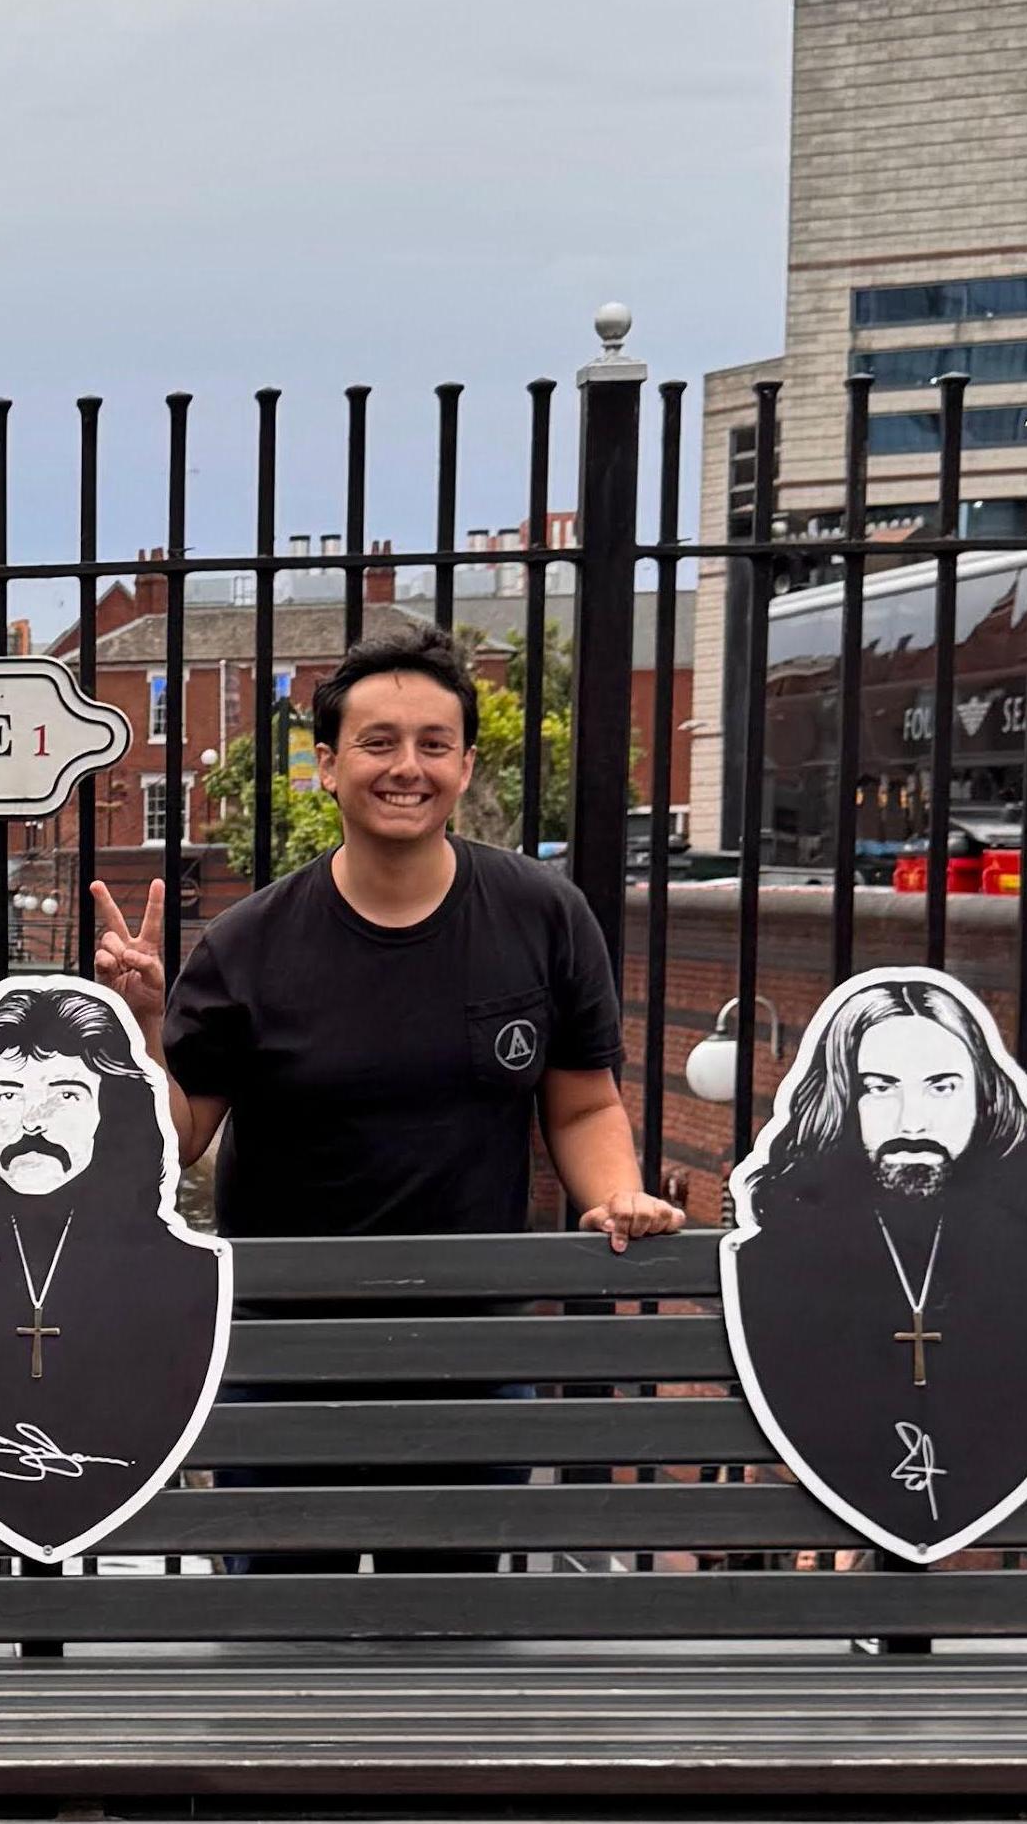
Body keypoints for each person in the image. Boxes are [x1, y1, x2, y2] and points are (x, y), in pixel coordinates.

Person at [95, 620, 679, 1574]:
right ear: (326, 766)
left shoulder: (541, 916)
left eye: (431, 744)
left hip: (470, 1346)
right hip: (282, 1353)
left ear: (462, 765)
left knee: (448, 1630)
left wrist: (610, 1191)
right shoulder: (245, 944)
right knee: (278, 1638)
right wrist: (140, 1038)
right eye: (376, 743)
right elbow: (182, 1136)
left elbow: (580, 1104)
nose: (405, 767)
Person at [0, 980, 226, 1560]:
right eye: (7, 1096)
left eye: (66, 1096)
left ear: (111, 1114)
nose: (32, 1122)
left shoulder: (190, 1278)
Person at [726, 973, 1027, 1559]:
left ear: (986, 1098)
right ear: (841, 1101)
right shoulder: (773, 1263)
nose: (912, 1122)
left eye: (942, 1087)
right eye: (879, 1088)